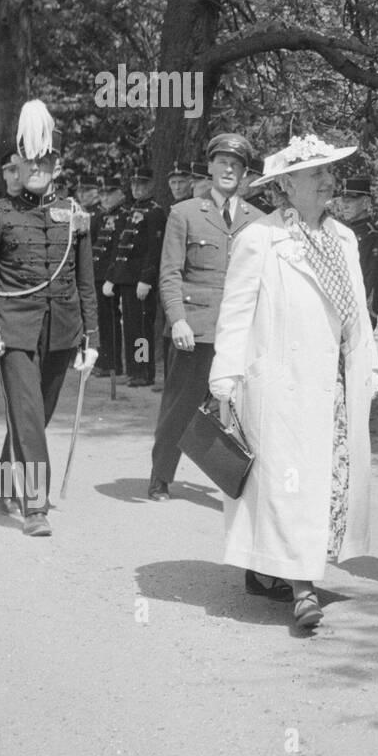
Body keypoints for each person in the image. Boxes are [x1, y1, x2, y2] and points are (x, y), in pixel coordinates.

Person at [209, 135, 378, 629]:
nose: (329, 180)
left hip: (332, 385)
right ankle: (302, 586)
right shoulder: (260, 238)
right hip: (277, 384)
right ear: (286, 184)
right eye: (316, 173)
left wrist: (367, 365)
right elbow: (235, 314)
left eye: (330, 172)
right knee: (287, 483)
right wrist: (225, 377)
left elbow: (358, 315)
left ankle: (270, 570)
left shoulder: (344, 239)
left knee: (321, 480)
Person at [0, 100, 99, 535]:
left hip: (61, 331)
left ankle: (3, 476)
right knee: (27, 409)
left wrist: (91, 339)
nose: (37, 167)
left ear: (57, 166)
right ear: (17, 165)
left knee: (37, 414)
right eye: (29, 160)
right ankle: (34, 505)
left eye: (46, 160)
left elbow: (85, 281)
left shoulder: (74, 214)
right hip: (14, 331)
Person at [148, 135, 263, 501]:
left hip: (241, 333)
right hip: (194, 330)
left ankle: (238, 482)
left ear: (244, 174)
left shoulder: (258, 222)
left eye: (237, 165)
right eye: (222, 162)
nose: (229, 169)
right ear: (210, 167)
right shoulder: (184, 213)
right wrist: (177, 319)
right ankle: (160, 476)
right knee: (180, 408)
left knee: (244, 412)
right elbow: (169, 273)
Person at [106, 168, 167, 387]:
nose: (137, 189)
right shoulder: (130, 211)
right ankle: (133, 370)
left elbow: (154, 249)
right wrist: (112, 276)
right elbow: (120, 247)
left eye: (141, 184)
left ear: (151, 185)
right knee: (131, 326)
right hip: (126, 278)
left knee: (142, 328)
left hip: (140, 279)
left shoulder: (155, 212)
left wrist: (147, 279)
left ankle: (144, 371)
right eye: (133, 185)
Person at [333, 176, 378, 323]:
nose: (344, 205)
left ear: (365, 202)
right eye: (343, 200)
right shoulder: (341, 232)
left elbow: (374, 283)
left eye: (350, 200)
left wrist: (369, 318)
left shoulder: (372, 237)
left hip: (356, 316)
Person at [91, 177, 128, 377]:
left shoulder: (124, 216)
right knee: (102, 320)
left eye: (109, 193)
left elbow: (118, 251)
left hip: (110, 277)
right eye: (102, 193)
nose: (104, 197)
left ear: (120, 194)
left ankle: (115, 363)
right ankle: (105, 361)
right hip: (98, 275)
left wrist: (111, 278)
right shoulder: (103, 216)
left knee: (111, 321)